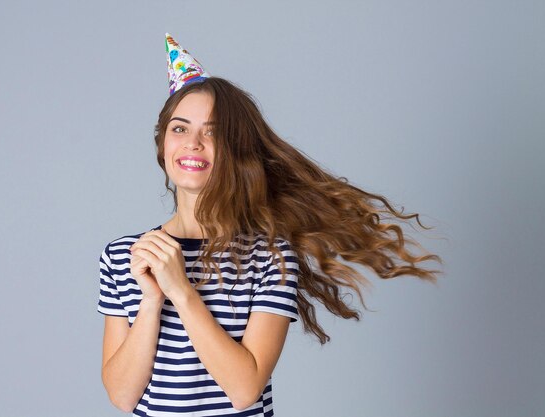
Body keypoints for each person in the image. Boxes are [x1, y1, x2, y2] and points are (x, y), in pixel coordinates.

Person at [97, 33, 443, 416]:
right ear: (163, 143)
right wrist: (151, 299)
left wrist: (182, 291)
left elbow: (245, 389)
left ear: (236, 150)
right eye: (180, 129)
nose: (193, 143)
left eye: (213, 133)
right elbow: (122, 396)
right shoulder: (122, 256)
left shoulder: (270, 256)